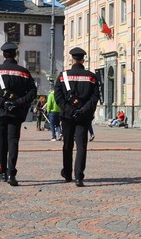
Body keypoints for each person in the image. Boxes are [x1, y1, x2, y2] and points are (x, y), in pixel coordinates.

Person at [0, 42, 37, 186]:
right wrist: (18, 102)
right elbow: (33, 92)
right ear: (16, 55)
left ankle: (3, 172)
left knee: (1, 142)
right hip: (16, 112)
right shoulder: (24, 72)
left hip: (0, 112)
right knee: (13, 142)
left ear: (3, 55)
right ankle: (11, 173)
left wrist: (2, 102)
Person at [55, 47, 100, 187]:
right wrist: (83, 110)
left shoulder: (63, 76)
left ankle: (67, 173)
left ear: (72, 59)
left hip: (68, 117)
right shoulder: (91, 77)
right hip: (83, 116)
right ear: (83, 59)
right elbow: (95, 97)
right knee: (81, 146)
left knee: (67, 145)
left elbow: (58, 97)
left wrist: (69, 110)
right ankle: (79, 176)